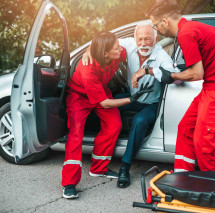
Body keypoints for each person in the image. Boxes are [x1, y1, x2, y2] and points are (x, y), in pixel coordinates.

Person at [146, 1, 215, 172]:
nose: (157, 30)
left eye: (155, 26)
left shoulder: (186, 33)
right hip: (214, 86)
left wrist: (171, 75)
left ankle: (214, 187)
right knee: (186, 127)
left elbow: (196, 73)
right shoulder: (191, 28)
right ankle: (183, 175)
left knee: (204, 142)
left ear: (164, 21)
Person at [82, 22, 179, 188]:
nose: (143, 43)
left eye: (148, 39)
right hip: (132, 97)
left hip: (152, 103)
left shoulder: (161, 56)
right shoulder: (128, 44)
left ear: (156, 39)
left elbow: (173, 76)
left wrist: (148, 70)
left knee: (140, 121)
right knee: (102, 108)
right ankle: (98, 146)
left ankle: (125, 167)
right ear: (135, 38)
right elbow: (102, 44)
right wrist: (88, 51)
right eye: (140, 39)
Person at [62, 31, 152, 199]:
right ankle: (69, 183)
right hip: (79, 97)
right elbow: (104, 103)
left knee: (114, 124)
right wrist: (130, 99)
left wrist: (89, 48)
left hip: (101, 91)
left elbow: (131, 48)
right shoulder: (88, 70)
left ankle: (98, 168)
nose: (121, 50)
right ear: (105, 53)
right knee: (76, 133)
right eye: (117, 48)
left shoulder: (116, 54)